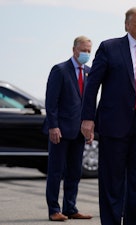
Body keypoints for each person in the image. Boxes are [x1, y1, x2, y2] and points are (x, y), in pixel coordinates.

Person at [80, 6, 136, 225]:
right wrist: (87, 118)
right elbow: (92, 86)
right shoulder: (110, 48)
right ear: (127, 24)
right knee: (112, 180)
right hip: (114, 124)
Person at [43, 36, 93, 221]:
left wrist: (90, 127)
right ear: (74, 50)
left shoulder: (89, 72)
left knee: (74, 172)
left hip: (79, 132)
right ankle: (54, 210)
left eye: (89, 50)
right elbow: (51, 102)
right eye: (84, 50)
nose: (86, 54)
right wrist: (53, 126)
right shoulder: (60, 70)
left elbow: (89, 103)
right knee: (56, 171)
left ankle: (70, 208)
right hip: (60, 130)